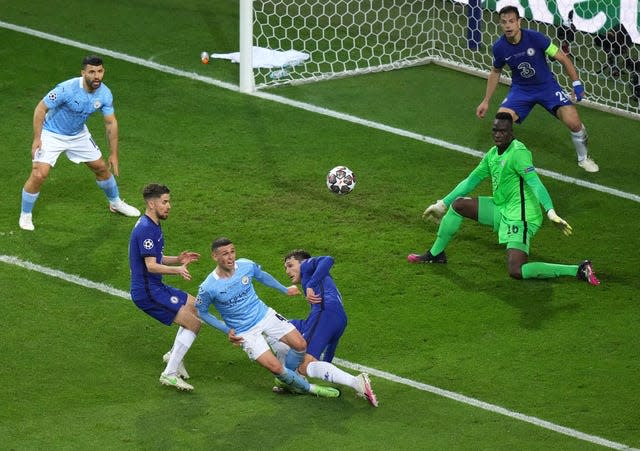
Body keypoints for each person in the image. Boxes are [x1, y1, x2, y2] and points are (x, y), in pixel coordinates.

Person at [407, 112, 600, 286]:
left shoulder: (518, 154)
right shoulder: (492, 155)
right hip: (501, 209)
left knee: (516, 271)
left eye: (503, 131)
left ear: (511, 132)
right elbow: (470, 181)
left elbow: (535, 183)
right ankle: (435, 254)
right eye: (495, 131)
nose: (498, 135)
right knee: (458, 205)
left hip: (521, 217)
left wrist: (550, 211)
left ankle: (578, 270)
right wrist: (442, 204)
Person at [196, 237, 353, 400]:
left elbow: (262, 276)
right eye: (225, 254)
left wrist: (284, 289)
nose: (230, 257)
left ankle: (287, 380)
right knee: (276, 367)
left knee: (300, 345)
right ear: (215, 257)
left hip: (264, 315)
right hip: (245, 331)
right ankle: (310, 388)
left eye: (232, 252)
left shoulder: (246, 265)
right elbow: (202, 312)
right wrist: (227, 330)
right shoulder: (208, 287)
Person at [19, 55, 139, 231]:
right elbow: (41, 108)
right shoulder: (66, 89)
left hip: (78, 134)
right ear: (83, 73)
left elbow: (110, 123)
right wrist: (37, 138)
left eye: (100, 71)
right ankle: (25, 214)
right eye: (92, 72)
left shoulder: (105, 93)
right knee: (39, 174)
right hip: (52, 133)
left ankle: (115, 203)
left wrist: (114, 154)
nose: (96, 76)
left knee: (101, 168)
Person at [476, 6, 599, 173]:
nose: (508, 26)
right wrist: (486, 100)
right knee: (501, 122)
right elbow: (496, 71)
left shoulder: (536, 38)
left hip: (546, 87)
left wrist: (576, 83)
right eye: (504, 22)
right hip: (521, 90)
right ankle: (505, 161)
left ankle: (583, 159)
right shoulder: (499, 47)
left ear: (519, 22)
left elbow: (563, 58)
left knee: (574, 123)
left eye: (511, 21)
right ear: (500, 24)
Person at [266, 250, 377, 406]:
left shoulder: (306, 266)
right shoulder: (322, 283)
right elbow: (331, 346)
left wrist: (310, 284)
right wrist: (328, 364)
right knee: (278, 329)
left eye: (290, 265)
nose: (287, 271)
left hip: (324, 313)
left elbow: (328, 259)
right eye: (285, 268)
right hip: (336, 318)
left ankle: (356, 382)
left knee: (304, 365)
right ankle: (290, 374)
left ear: (301, 262)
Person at [129, 183, 201, 391]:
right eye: (165, 202)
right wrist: (178, 269)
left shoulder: (151, 225)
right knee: (194, 324)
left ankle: (173, 355)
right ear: (152, 204)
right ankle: (169, 374)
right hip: (147, 292)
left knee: (195, 305)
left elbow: (155, 258)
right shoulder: (145, 229)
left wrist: (177, 259)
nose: (169, 206)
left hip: (154, 287)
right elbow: (151, 266)